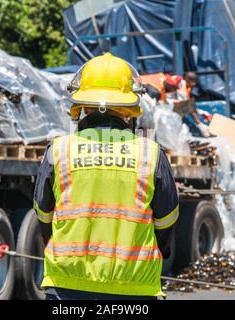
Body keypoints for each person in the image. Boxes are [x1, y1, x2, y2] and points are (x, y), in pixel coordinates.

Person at [33, 53, 179, 300]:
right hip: (133, 289)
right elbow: (166, 221)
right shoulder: (150, 154)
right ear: (129, 110)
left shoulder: (58, 151)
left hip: (67, 287)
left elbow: (43, 216)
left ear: (82, 107)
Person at [175, 72, 211, 138]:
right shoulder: (182, 89)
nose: (194, 84)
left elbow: (189, 103)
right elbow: (189, 109)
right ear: (188, 80)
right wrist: (200, 125)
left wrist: (200, 112)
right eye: (193, 82)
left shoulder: (187, 86)